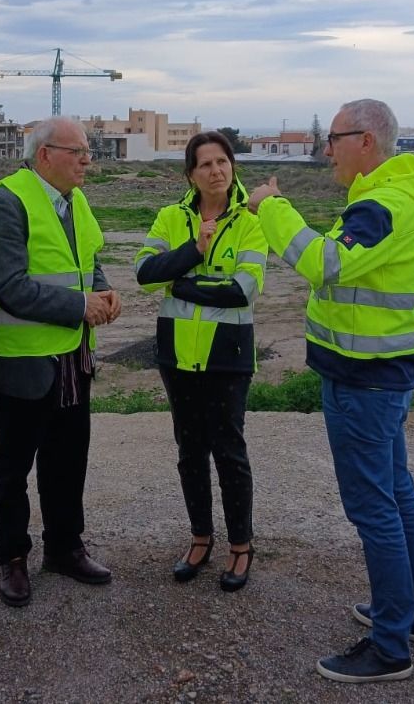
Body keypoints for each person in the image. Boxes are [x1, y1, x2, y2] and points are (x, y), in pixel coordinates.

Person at [247, 98, 414, 684]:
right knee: (395, 493)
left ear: (367, 141)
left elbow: (324, 263)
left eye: (333, 139)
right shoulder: (388, 198)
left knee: (374, 508)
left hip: (364, 381)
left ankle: (390, 645)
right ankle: (413, 615)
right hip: (379, 374)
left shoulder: (384, 206)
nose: (325, 149)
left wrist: (271, 207)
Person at [0, 115, 120, 607]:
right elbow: (8, 286)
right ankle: (12, 558)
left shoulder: (74, 200)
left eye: (88, 152)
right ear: (44, 156)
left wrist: (101, 291)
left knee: (68, 460)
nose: (86, 160)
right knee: (15, 465)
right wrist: (80, 307)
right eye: (77, 151)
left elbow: (87, 259)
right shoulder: (6, 204)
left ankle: (64, 547)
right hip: (24, 364)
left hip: (72, 361)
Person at [133, 130, 267, 591]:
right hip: (176, 355)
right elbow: (145, 274)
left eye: (222, 161)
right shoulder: (171, 217)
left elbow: (241, 290)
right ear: (190, 174)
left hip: (227, 355)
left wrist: (181, 282)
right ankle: (200, 538)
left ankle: (241, 546)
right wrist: (193, 251)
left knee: (229, 451)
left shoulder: (251, 221)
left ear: (233, 166)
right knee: (190, 452)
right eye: (205, 164)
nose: (216, 170)